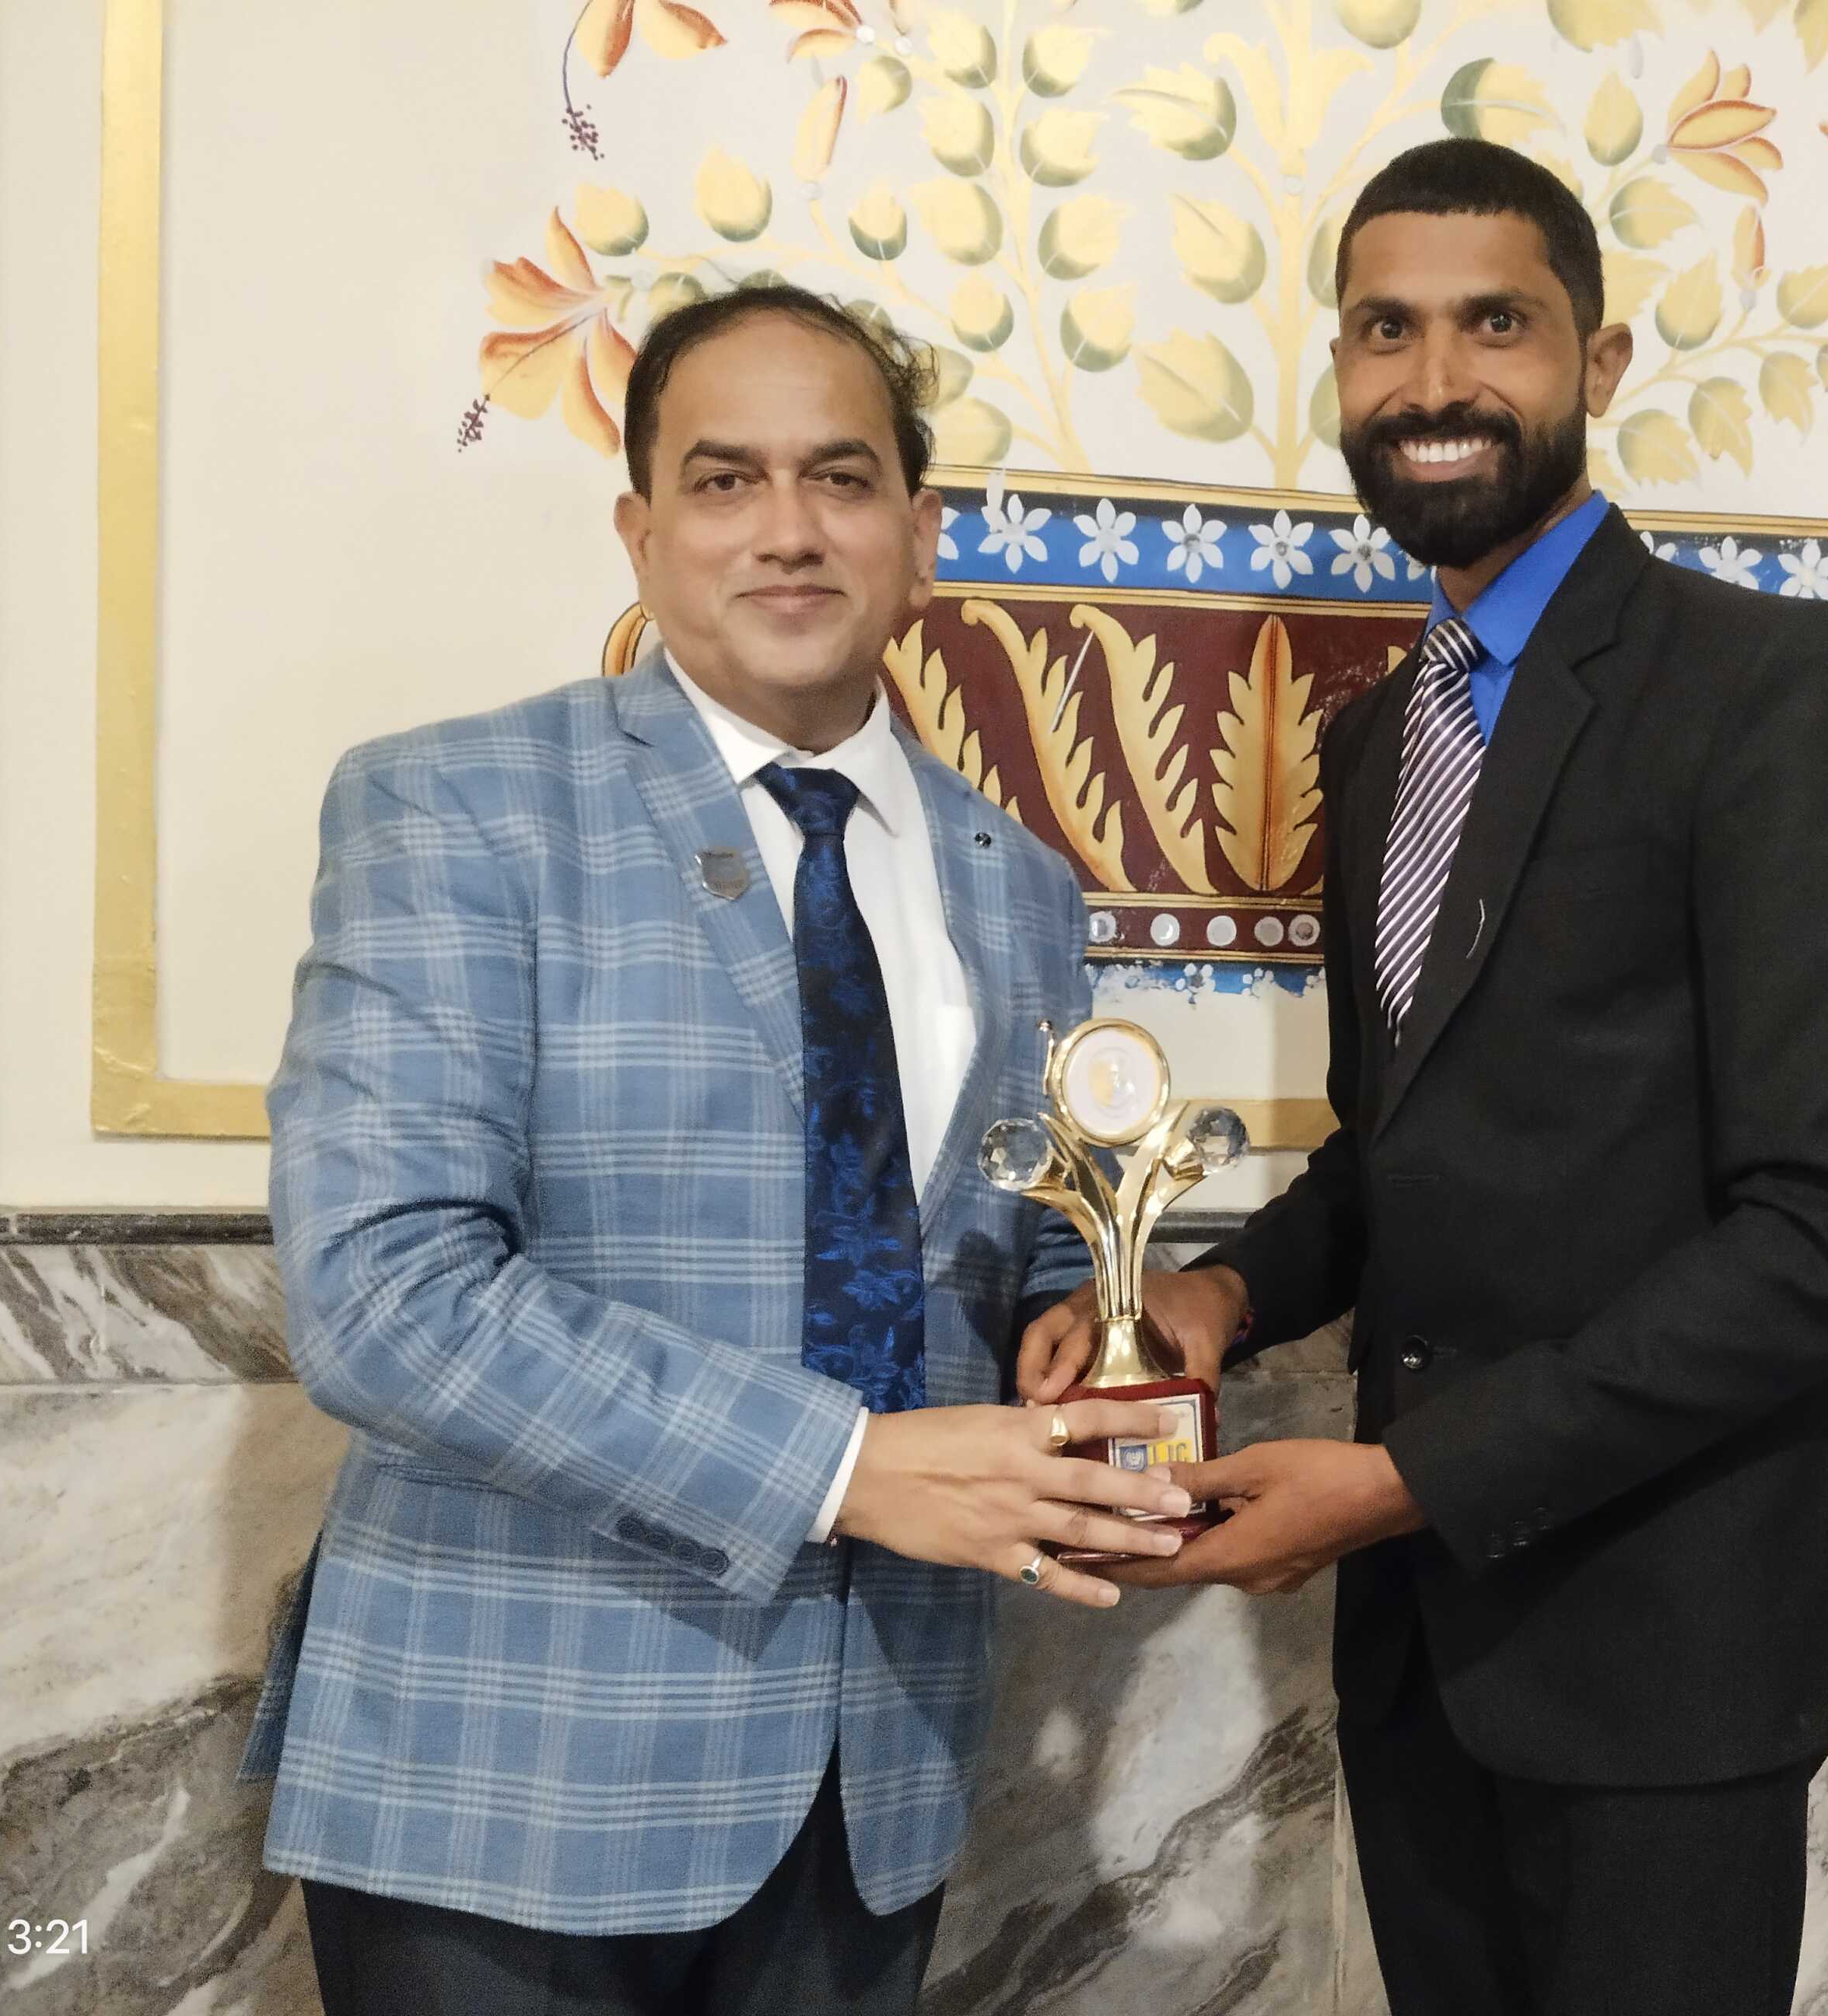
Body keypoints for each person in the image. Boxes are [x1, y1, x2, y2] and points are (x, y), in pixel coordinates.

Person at [1020, 138, 1828, 2016]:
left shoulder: (1776, 685)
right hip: (1427, 1655)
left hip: (1671, 1646)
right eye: (1387, 332)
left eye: (1493, 326)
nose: (1434, 380)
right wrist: (1216, 1293)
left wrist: (1401, 1483)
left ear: (1595, 364)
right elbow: (1398, 1147)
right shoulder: (1383, 739)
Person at [246, 284, 1194, 2016]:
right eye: (724, 479)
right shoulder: (456, 807)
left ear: (920, 534)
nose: (787, 530)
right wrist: (850, 1469)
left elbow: (1021, 1241)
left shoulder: (1021, 889)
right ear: (642, 533)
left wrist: (1094, 1333)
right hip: (502, 1781)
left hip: (875, 1790)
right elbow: (382, 1299)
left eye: (840, 478)